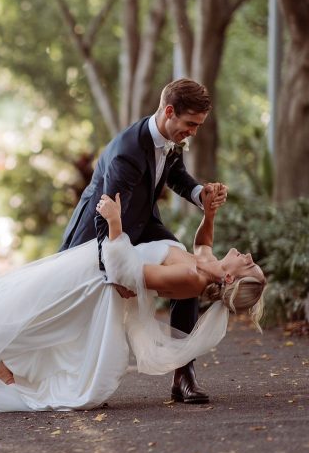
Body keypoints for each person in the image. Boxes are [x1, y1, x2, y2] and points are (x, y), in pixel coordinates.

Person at [0, 183, 265, 413]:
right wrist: (208, 213)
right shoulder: (206, 266)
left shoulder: (191, 279)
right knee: (17, 298)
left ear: (230, 278)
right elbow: (205, 243)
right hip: (94, 270)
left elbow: (130, 274)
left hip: (95, 281)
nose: (247, 255)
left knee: (24, 308)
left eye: (248, 265)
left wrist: (115, 223)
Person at [60, 78, 220, 404]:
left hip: (143, 222)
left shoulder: (170, 136)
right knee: (83, 298)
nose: (193, 132)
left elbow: (172, 172)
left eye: (198, 126)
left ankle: (183, 375)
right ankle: (75, 376)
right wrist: (115, 272)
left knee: (188, 270)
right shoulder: (128, 153)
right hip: (100, 228)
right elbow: (106, 214)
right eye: (190, 124)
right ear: (169, 111)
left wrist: (198, 194)